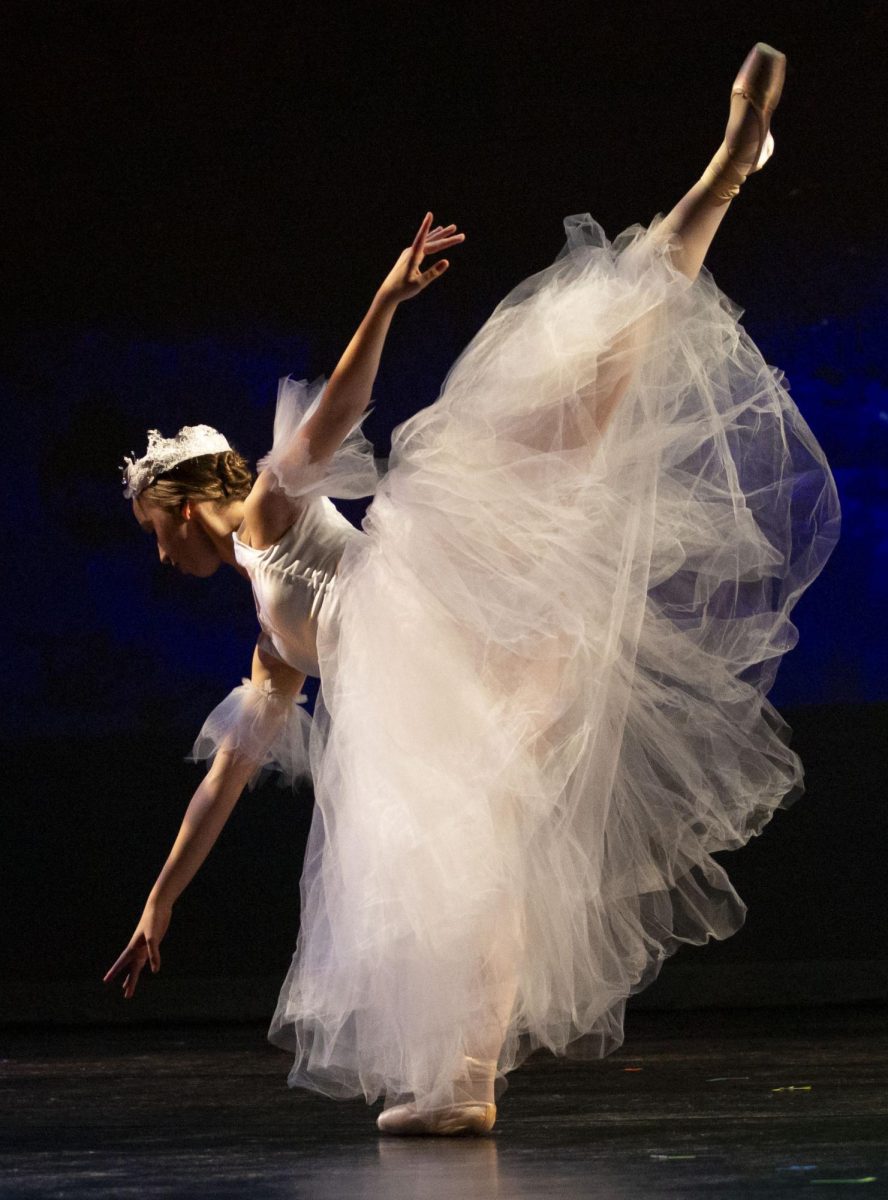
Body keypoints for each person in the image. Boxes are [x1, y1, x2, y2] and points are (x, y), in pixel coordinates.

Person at [104, 42, 841, 1136]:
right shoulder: (269, 644)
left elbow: (336, 418)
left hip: (452, 595)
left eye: (153, 536)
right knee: (474, 860)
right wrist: (163, 897)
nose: (159, 559)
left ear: (177, 506)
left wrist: (385, 297)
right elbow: (224, 778)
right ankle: (467, 1083)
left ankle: (726, 174)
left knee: (592, 396)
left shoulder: (260, 513)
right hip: (472, 675)